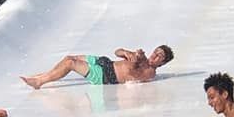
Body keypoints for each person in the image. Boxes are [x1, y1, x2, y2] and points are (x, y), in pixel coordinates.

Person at [20, 45, 174, 89]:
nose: (155, 55)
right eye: (156, 51)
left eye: (159, 56)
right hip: (106, 63)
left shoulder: (150, 72)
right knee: (70, 57)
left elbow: (133, 73)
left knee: (70, 63)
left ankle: (39, 82)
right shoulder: (142, 57)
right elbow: (117, 51)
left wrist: (135, 60)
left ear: (162, 63)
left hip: (105, 75)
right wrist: (127, 53)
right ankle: (45, 76)